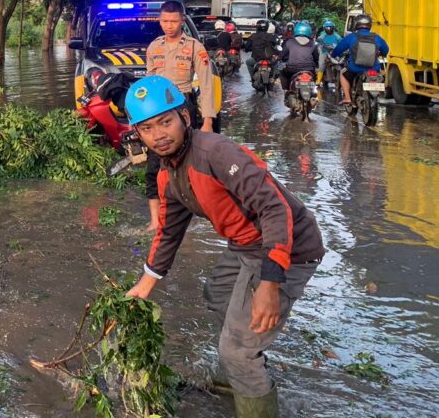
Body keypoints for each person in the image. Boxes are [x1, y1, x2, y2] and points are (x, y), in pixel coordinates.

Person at [123, 76, 325, 417]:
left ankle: (245, 369)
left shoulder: (215, 152)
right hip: (245, 246)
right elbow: (169, 231)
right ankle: (240, 375)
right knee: (217, 293)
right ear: (137, 135)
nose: (158, 134)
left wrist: (269, 284)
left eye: (165, 121)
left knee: (237, 351)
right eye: (146, 128)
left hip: (288, 246)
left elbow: (275, 209)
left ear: (185, 118)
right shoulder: (168, 174)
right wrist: (145, 285)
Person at [145, 1, 216, 230]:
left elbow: (206, 86)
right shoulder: (154, 47)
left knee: (186, 162)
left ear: (182, 21)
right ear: (160, 20)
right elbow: (147, 84)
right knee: (154, 163)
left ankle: (190, 213)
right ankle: (155, 220)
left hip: (183, 105)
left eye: (174, 21)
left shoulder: (196, 47)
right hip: (156, 109)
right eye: (165, 21)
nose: (169, 25)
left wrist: (208, 122)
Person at [331, 14, 390, 106]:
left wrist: (334, 55)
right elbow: (386, 50)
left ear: (356, 24)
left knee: (343, 73)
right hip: (373, 68)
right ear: (369, 25)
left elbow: (338, 49)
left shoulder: (351, 37)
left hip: (355, 68)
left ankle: (347, 98)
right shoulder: (376, 37)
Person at [277, 21, 319, 91]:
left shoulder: (289, 42)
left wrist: (280, 59)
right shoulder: (313, 44)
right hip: (309, 69)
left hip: (292, 69)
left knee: (281, 71)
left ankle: (286, 89)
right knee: (314, 76)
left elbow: (282, 55)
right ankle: (312, 90)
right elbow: (316, 58)